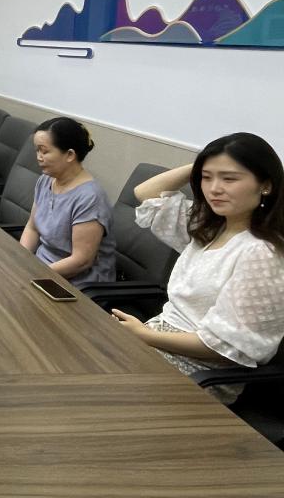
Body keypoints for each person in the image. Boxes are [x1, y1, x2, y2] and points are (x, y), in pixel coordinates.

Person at [116, 133, 284, 403]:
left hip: (199, 371)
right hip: (156, 339)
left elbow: (223, 348)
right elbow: (145, 194)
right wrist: (202, 163)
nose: (214, 188)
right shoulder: (209, 225)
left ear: (265, 185)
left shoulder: (261, 253)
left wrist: (144, 336)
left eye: (229, 179)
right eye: (207, 178)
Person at [19, 117, 116, 287]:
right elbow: (32, 228)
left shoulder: (90, 198)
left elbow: (81, 261)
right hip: (42, 269)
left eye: (44, 151)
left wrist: (35, 274)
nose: (39, 157)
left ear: (70, 155)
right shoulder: (45, 180)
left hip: (77, 283)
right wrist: (21, 260)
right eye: (37, 151)